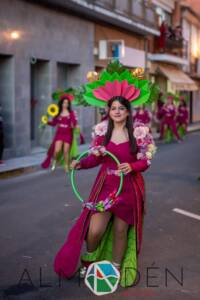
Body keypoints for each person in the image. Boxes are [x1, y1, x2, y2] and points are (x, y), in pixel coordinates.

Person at [53, 66, 156, 288]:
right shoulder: (101, 132)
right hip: (105, 188)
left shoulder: (140, 131)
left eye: (121, 108)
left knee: (121, 231)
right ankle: (90, 261)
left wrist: (132, 165)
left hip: (129, 189)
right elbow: (94, 159)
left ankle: (114, 269)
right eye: (113, 108)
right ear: (108, 111)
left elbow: (146, 161)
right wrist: (79, 164)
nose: (117, 111)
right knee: (95, 229)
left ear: (128, 111)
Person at [41, 94, 79, 172]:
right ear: (61, 103)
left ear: (68, 104)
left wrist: (74, 125)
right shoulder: (57, 112)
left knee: (66, 151)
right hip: (59, 134)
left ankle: (66, 165)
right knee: (57, 150)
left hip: (68, 134)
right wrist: (46, 121)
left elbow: (74, 123)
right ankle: (54, 162)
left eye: (67, 103)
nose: (65, 104)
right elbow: (54, 123)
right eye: (64, 103)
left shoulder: (71, 113)